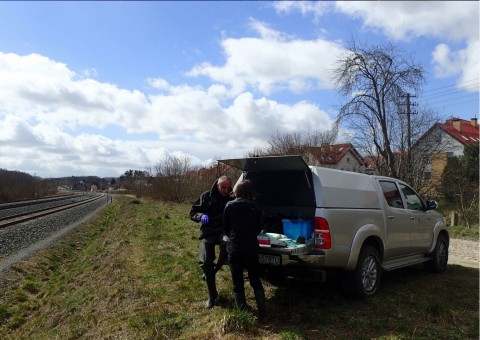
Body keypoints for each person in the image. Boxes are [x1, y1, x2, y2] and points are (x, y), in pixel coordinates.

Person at [223, 179, 266, 322]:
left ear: (238, 191)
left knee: (237, 282)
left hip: (235, 249)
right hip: (251, 249)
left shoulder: (229, 206)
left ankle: (243, 316)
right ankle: (263, 314)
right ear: (250, 192)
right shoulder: (256, 207)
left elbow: (226, 228)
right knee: (255, 280)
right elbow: (259, 228)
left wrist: (234, 237)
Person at [190, 175, 233, 308]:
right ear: (217, 185)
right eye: (223, 187)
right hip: (208, 232)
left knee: (227, 245)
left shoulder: (232, 198)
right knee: (205, 262)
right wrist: (201, 216)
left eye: (228, 188)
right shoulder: (206, 196)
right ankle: (212, 295)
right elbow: (192, 213)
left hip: (223, 231)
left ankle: (214, 271)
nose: (225, 190)